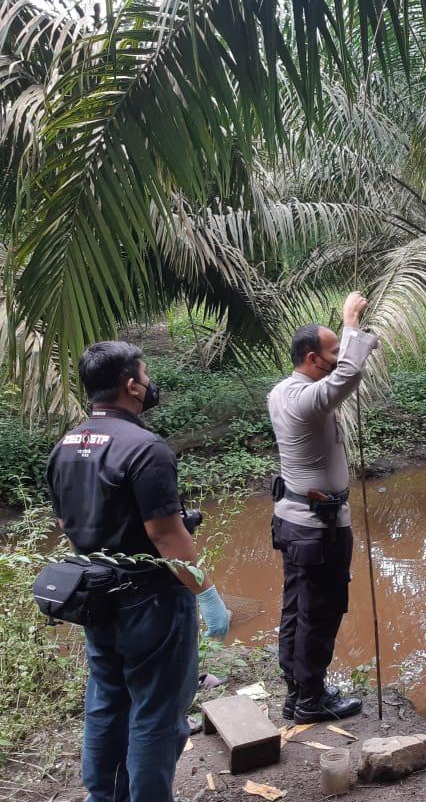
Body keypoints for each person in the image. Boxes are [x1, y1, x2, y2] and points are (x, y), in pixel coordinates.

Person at [46, 341, 231, 802]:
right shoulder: (146, 449)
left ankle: (104, 796)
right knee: (157, 713)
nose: (150, 384)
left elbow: (67, 525)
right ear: (131, 386)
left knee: (108, 701)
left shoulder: (64, 447)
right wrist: (207, 594)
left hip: (94, 596)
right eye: (146, 376)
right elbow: (166, 535)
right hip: (151, 601)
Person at [268, 291, 379, 722]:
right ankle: (311, 700)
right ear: (313, 359)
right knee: (320, 612)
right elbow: (348, 375)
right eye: (333, 352)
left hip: (298, 523)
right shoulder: (305, 400)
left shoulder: (282, 392)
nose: (338, 358)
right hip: (316, 528)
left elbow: (342, 375)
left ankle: (297, 691)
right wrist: (350, 322)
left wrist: (351, 337)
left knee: (297, 608)